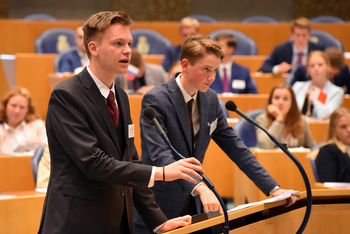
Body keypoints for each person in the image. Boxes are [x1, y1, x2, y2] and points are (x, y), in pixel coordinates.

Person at [38, 11, 206, 234]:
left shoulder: (120, 95)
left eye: (129, 43)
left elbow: (129, 160)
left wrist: (158, 221)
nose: (128, 50)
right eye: (118, 43)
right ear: (93, 48)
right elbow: (93, 163)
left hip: (116, 222)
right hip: (76, 222)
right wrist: (161, 172)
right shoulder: (66, 96)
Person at [134, 34, 297, 233]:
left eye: (216, 70)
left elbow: (236, 148)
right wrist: (200, 187)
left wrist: (274, 189)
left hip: (195, 208)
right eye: (206, 69)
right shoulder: (156, 99)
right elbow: (162, 156)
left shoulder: (211, 100)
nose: (212, 77)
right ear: (185, 65)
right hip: (158, 207)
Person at [259, 17, 325, 84]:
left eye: (304, 35)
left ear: (309, 35)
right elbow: (264, 67)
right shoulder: (281, 50)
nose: (301, 39)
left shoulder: (318, 50)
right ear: (291, 35)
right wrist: (278, 68)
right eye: (297, 35)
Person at [256, 83, 315, 149]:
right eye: (277, 98)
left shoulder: (301, 120)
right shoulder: (262, 120)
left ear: (292, 103)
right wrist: (279, 120)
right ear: (271, 101)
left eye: (285, 99)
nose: (281, 102)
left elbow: (312, 148)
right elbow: (265, 146)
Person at [292, 51, 344, 119]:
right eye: (312, 66)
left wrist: (316, 94)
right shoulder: (298, 86)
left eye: (320, 65)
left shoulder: (337, 92)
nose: (316, 69)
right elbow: (291, 114)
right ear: (308, 69)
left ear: (328, 67)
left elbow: (325, 116)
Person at [0, 86, 47, 155]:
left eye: (22, 107)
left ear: (28, 110)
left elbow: (46, 150)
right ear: (5, 106)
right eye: (13, 105)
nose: (17, 111)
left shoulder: (37, 125)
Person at [308, 107, 350, 182]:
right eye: (343, 127)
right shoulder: (327, 151)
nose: (349, 130)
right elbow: (329, 184)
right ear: (333, 130)